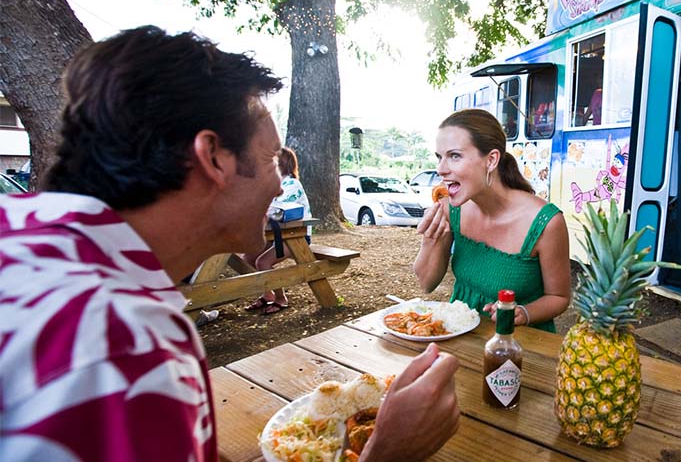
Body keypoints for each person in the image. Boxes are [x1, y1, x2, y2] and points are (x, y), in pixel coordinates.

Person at [0, 26, 459, 462]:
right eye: (270, 160)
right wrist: (387, 453)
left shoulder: (18, 227)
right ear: (213, 156)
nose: (280, 186)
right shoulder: (127, 351)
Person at [413, 108, 571, 332]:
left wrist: (523, 313)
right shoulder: (451, 209)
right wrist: (431, 238)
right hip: (461, 336)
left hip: (521, 345)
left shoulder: (545, 223)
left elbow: (559, 296)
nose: (440, 169)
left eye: (454, 156)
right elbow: (426, 283)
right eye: (439, 157)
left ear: (491, 160)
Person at [244, 146, 311, 314]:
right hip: (277, 236)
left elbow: (273, 208)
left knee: (262, 262)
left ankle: (281, 298)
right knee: (248, 257)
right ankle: (268, 294)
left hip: (297, 237)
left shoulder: (291, 184)